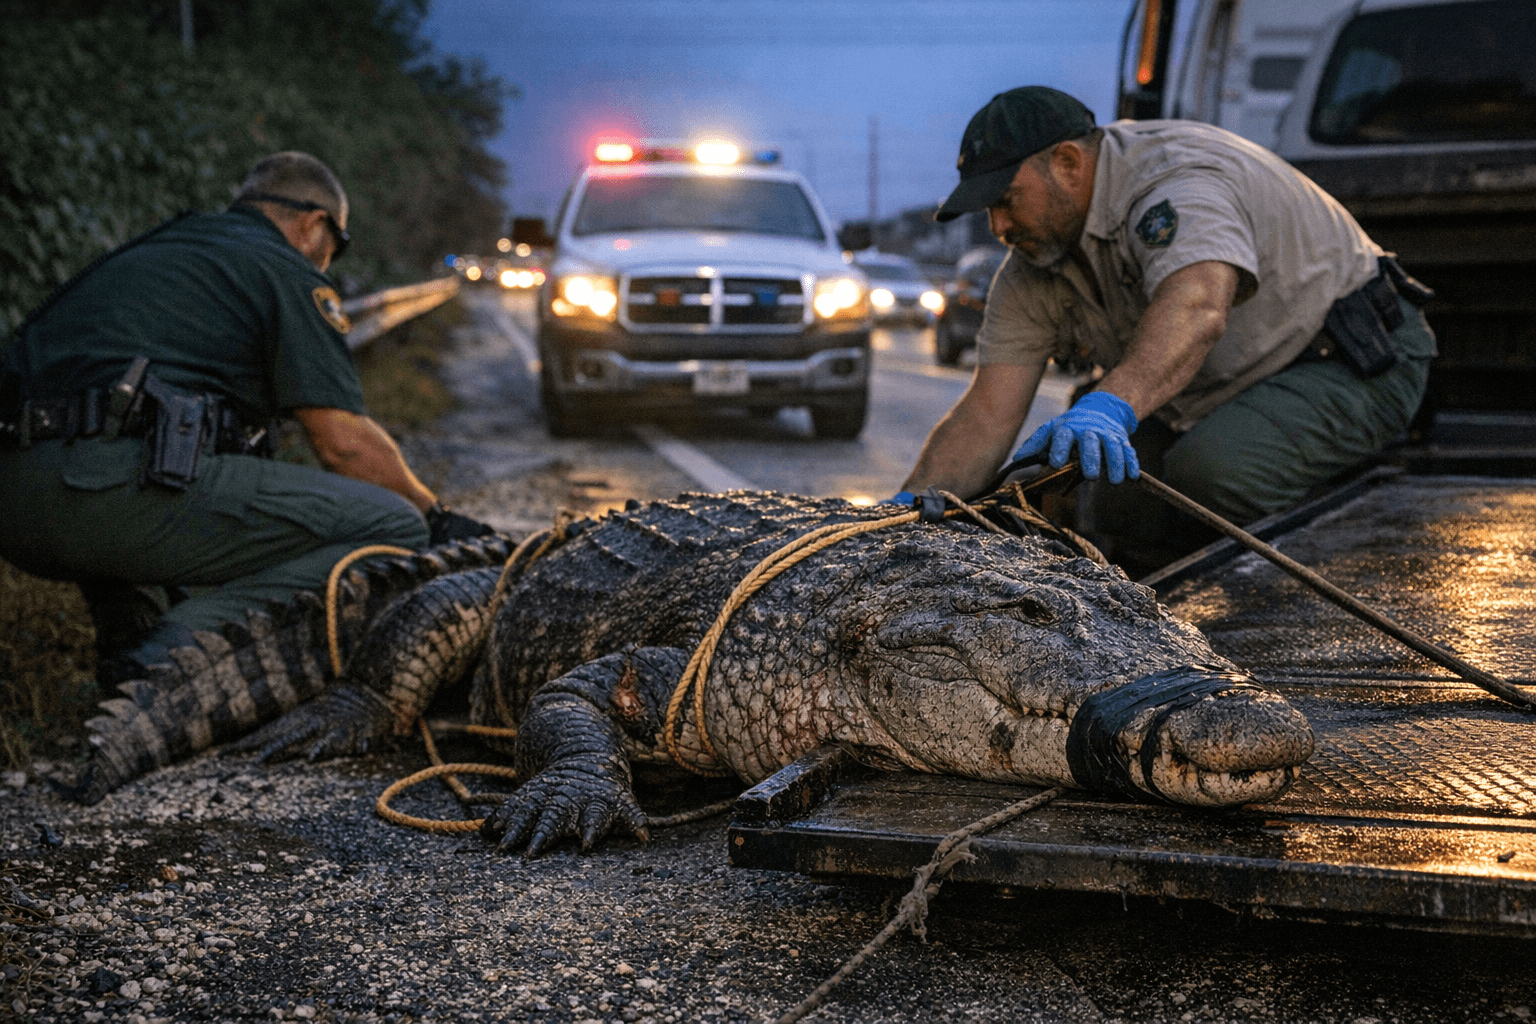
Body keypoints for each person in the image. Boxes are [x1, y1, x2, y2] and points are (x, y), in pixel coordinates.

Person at [893, 86, 1435, 574]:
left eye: (1005, 200)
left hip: (1351, 359)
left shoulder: (1174, 182)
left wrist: (1108, 406)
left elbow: (1197, 307)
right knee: (1107, 496)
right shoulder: (1036, 262)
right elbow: (988, 412)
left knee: (1214, 471)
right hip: (1222, 388)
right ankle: (1179, 615)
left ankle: (1337, 567)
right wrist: (900, 520)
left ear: (1068, 163)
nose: (998, 228)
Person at [0, 151, 490, 678]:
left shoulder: (162, 248)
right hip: (97, 492)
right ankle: (167, 660)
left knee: (170, 453)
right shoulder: (283, 268)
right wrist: (435, 517)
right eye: (337, 247)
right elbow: (343, 444)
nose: (328, 260)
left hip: (17, 503)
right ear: (314, 224)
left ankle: (136, 624)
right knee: (392, 523)